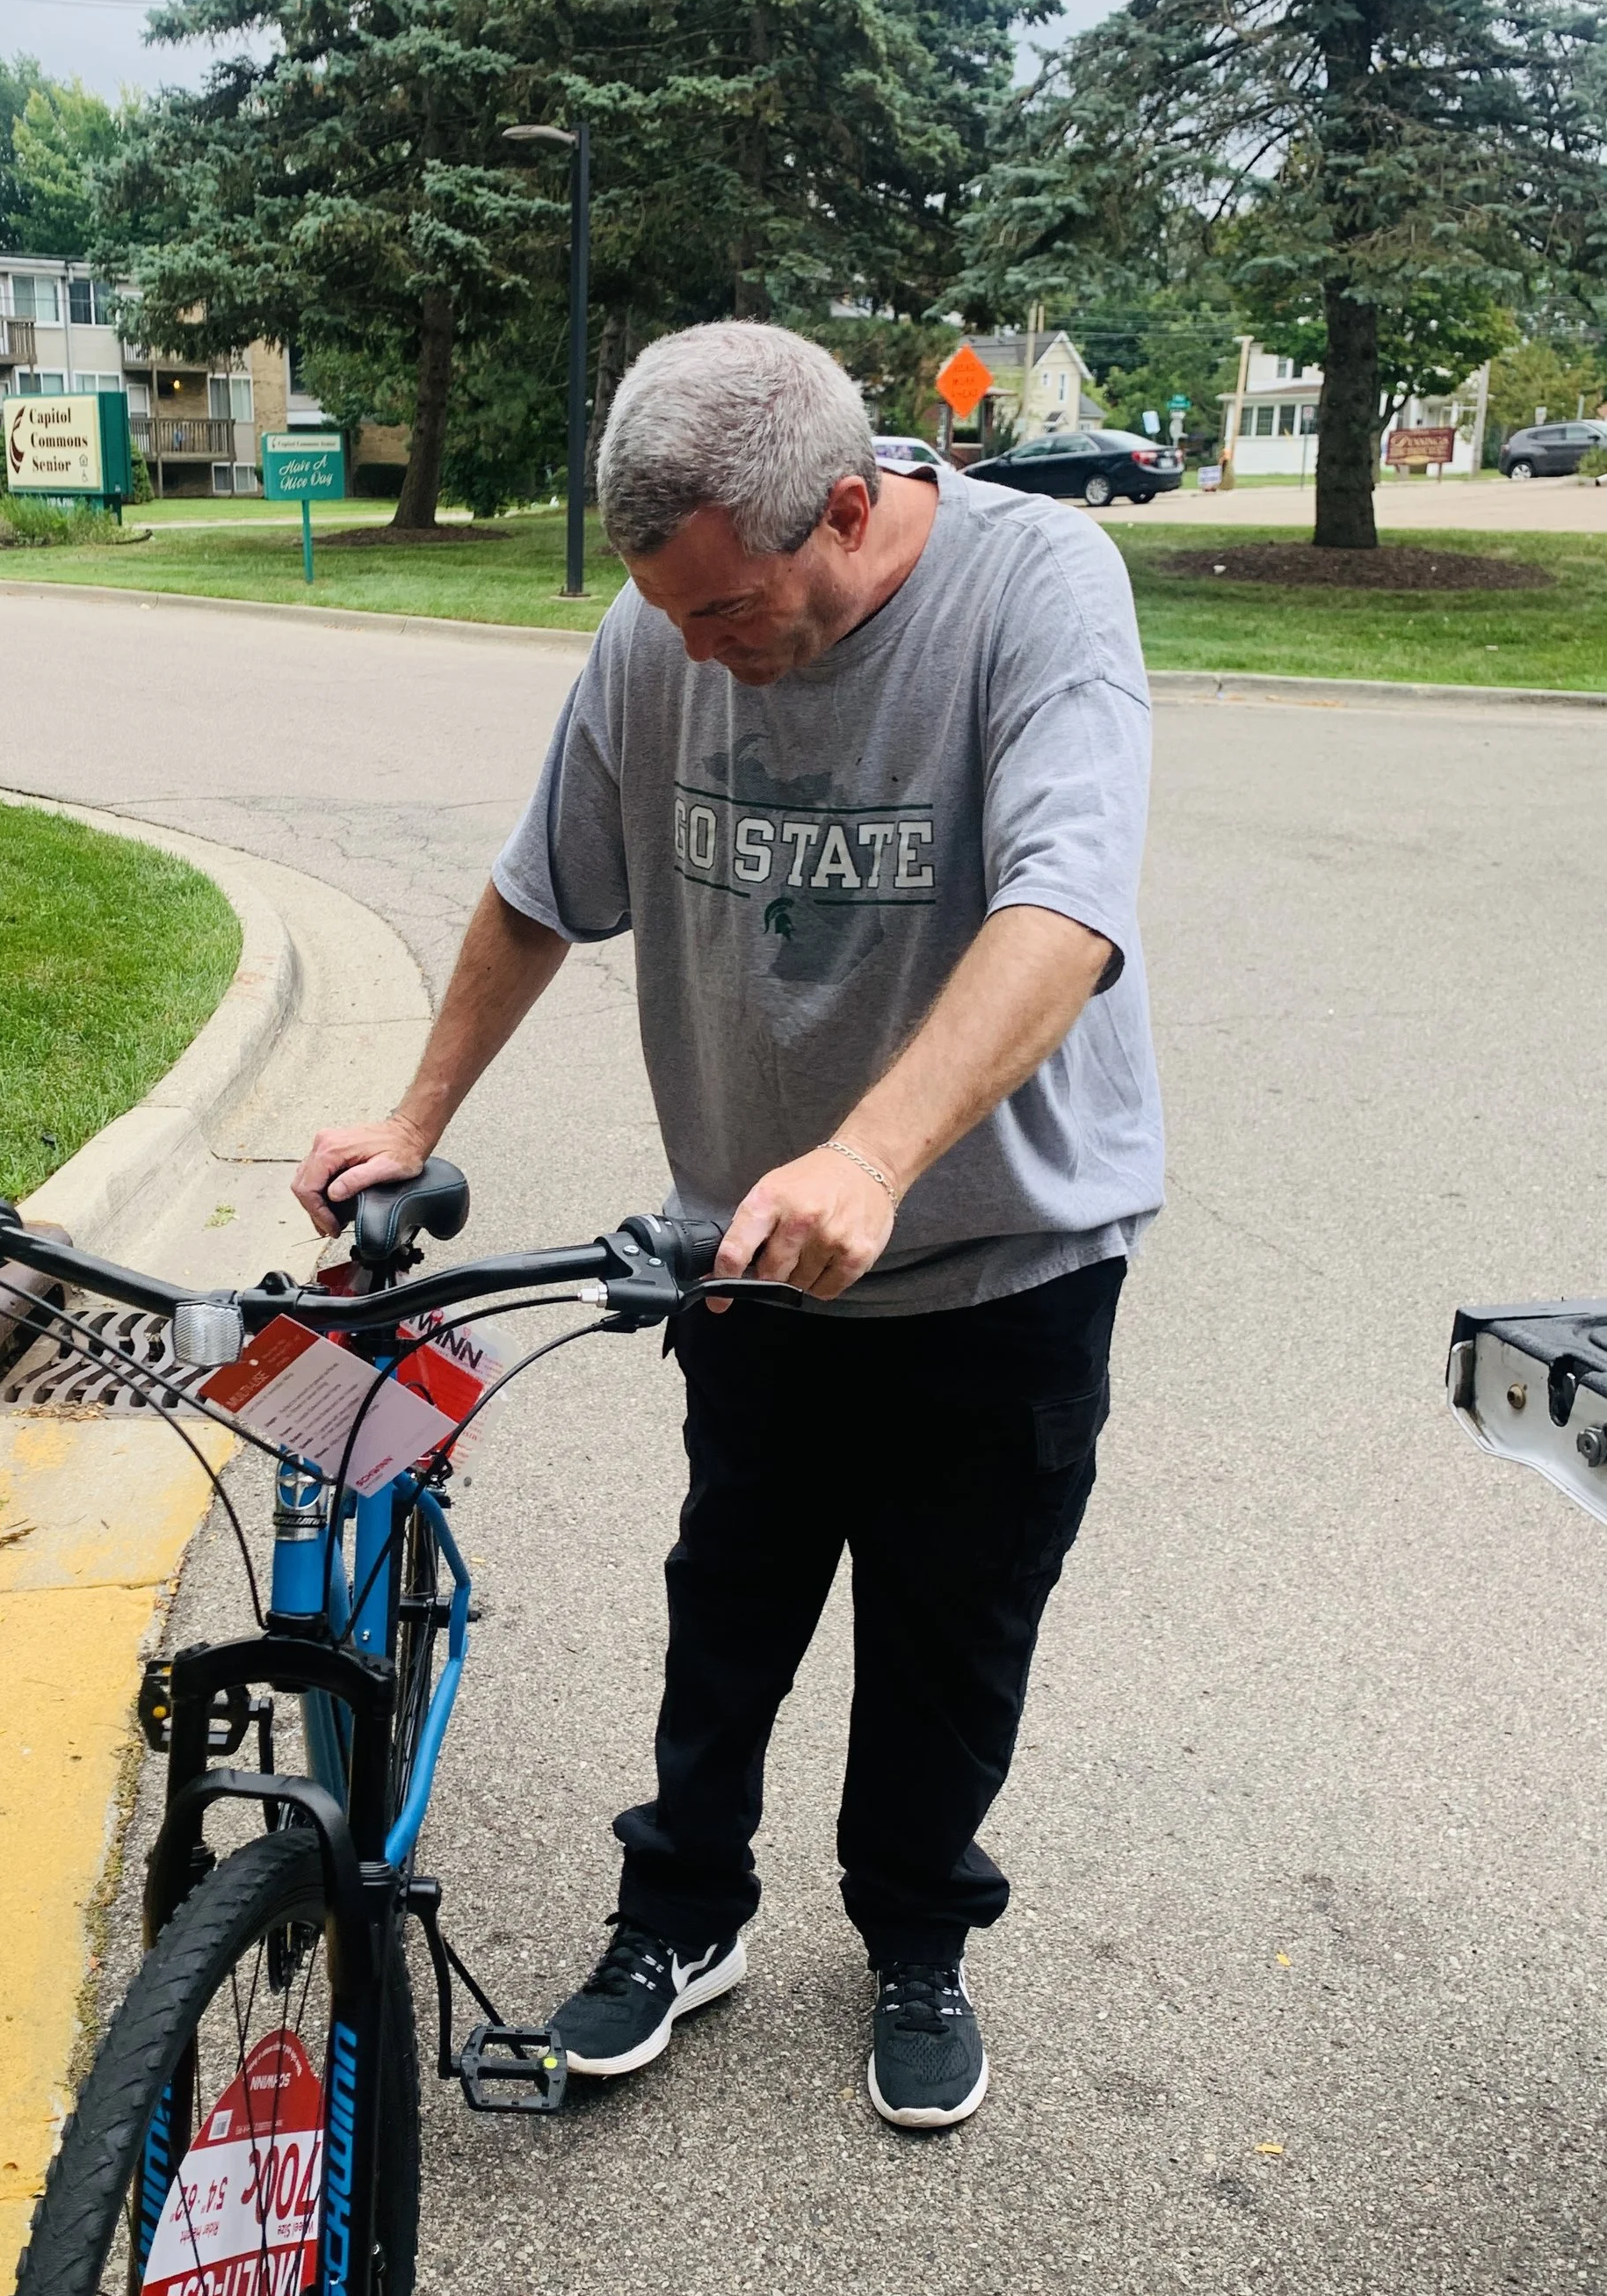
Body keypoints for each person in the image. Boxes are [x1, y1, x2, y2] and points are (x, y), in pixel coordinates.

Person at [293, 321, 1163, 2133]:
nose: (695, 655)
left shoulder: (1035, 593)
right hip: (746, 1262)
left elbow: (1063, 910)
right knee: (727, 1605)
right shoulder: (654, 628)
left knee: (947, 1638)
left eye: (725, 615)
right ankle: (680, 1917)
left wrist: (870, 1154)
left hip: (996, 1259)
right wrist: (411, 1117)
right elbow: (538, 891)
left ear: (845, 507)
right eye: (665, 617)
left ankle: (914, 1933)